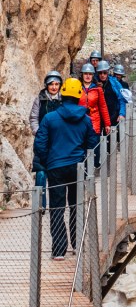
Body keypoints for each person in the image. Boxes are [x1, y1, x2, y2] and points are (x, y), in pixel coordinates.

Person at [33, 78, 98, 260]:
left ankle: (59, 250)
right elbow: (92, 144)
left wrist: (47, 161)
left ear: (62, 93)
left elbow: (40, 144)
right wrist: (83, 160)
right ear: (79, 95)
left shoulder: (49, 118)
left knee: (57, 207)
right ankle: (77, 245)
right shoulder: (86, 120)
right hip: (77, 167)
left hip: (56, 166)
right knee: (76, 206)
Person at [79, 64, 110, 136]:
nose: (88, 76)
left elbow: (103, 107)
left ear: (93, 75)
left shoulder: (98, 89)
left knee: (93, 142)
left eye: (90, 74)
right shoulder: (77, 88)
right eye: (85, 74)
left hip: (94, 122)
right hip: (80, 121)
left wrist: (107, 124)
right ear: (82, 75)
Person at [30, 71, 63, 135]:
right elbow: (34, 118)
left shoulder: (64, 99)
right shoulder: (39, 99)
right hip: (43, 135)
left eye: (56, 84)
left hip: (59, 136)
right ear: (46, 85)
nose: (54, 87)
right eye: (51, 84)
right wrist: (38, 133)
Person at [96, 61, 126, 126]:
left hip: (114, 117)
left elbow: (122, 99)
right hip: (99, 119)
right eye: (100, 73)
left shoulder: (115, 83)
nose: (102, 75)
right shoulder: (94, 84)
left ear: (107, 72)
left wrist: (122, 114)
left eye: (104, 73)